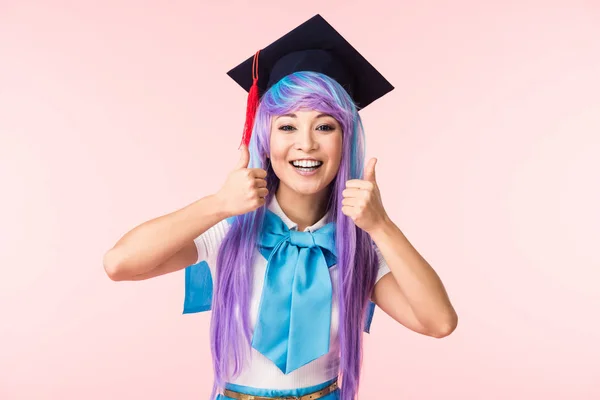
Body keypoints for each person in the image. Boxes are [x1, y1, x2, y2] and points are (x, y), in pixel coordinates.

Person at [103, 14, 458, 400]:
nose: (305, 144)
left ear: (347, 139)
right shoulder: (231, 228)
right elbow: (119, 264)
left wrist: (382, 226)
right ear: (266, 138)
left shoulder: (360, 246)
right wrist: (218, 204)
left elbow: (438, 323)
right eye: (287, 126)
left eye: (325, 126)